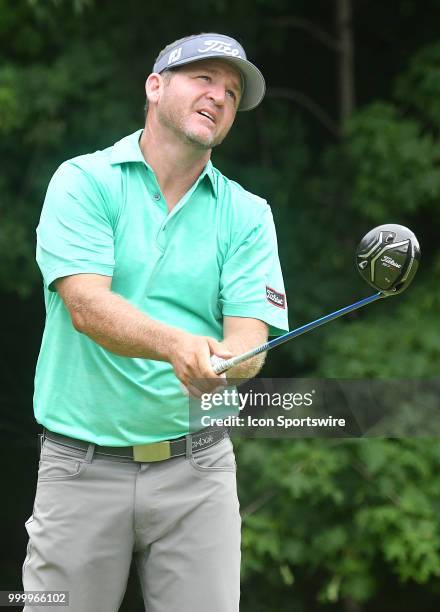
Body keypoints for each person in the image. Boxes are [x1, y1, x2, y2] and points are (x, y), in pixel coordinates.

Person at [22, 33, 289, 612]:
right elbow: (87, 307)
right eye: (204, 78)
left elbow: (250, 337)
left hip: (199, 466)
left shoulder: (247, 214)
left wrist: (229, 367)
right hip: (78, 464)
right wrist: (177, 346)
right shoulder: (84, 181)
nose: (219, 96)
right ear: (155, 86)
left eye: (232, 90)